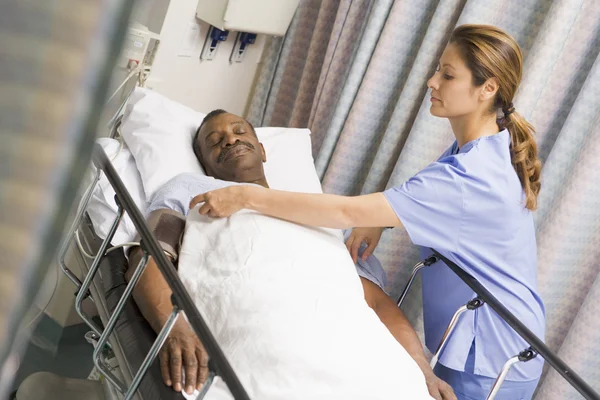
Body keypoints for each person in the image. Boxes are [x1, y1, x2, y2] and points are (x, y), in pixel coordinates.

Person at [189, 24, 546, 400]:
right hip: (479, 338)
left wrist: (248, 197)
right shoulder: (480, 148)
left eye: (447, 74)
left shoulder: (471, 175)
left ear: (487, 88)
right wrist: (377, 218)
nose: (431, 82)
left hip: (494, 354)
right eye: (437, 69)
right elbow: (424, 199)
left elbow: (345, 212)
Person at [127, 109, 455, 399]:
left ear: (264, 150)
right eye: (215, 141)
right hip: (263, 331)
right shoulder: (188, 187)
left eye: (239, 131)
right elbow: (150, 257)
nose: (230, 140)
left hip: (346, 339)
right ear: (204, 161)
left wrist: (421, 370)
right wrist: (174, 326)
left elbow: (374, 301)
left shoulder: (319, 208)